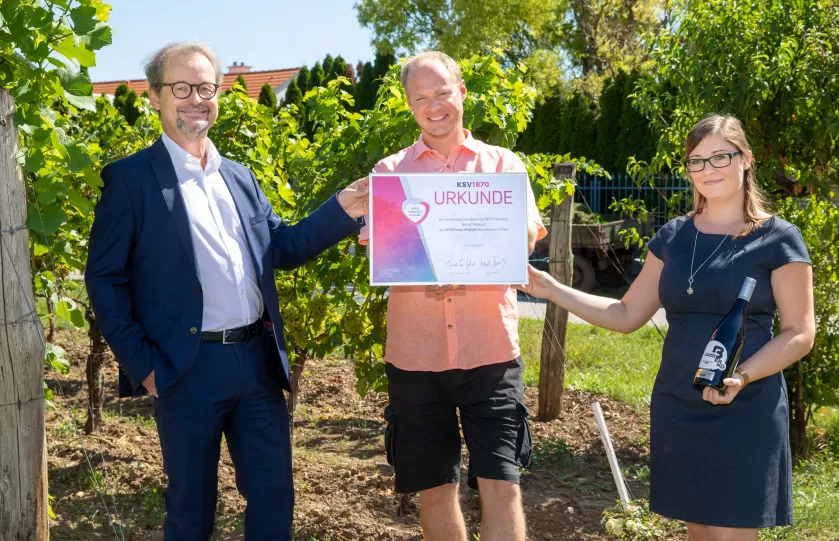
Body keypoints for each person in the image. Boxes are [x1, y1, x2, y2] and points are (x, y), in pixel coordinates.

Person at [85, 42, 368, 541]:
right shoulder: (130, 179)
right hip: (185, 366)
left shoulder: (238, 175)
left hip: (257, 362)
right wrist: (144, 366)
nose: (196, 97)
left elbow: (279, 248)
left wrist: (341, 209)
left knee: (274, 500)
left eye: (206, 87)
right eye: (181, 87)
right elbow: (105, 279)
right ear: (154, 96)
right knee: (191, 509)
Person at [520, 114, 815, 541]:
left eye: (720, 157)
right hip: (678, 401)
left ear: (745, 159)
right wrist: (550, 288)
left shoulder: (778, 238)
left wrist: (742, 376)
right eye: (696, 161)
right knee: (697, 531)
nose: (707, 170)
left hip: (744, 404)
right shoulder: (674, 236)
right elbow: (626, 314)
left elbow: (799, 333)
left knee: (731, 533)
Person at [359, 51, 546, 541]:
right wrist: (425, 268)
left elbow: (526, 232)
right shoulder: (390, 170)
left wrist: (461, 258)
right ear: (409, 105)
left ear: (462, 92)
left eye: (441, 92)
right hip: (415, 357)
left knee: (501, 485)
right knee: (435, 488)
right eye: (420, 97)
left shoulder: (502, 164)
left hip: (491, 352)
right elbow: (382, 248)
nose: (433, 105)